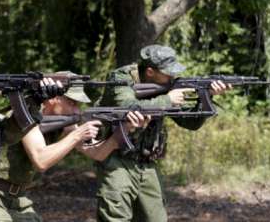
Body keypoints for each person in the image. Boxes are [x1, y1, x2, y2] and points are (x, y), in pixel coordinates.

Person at [94, 44, 232, 222]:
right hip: (116, 160)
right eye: (168, 72)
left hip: (147, 163)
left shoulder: (167, 85)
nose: (172, 77)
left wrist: (206, 97)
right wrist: (168, 100)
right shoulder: (120, 78)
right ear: (150, 71)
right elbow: (129, 107)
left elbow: (190, 123)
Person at [0, 76, 101, 222]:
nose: (77, 110)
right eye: (72, 102)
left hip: (18, 198)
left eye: (78, 104)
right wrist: (77, 135)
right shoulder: (23, 116)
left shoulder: (64, 123)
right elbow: (41, 161)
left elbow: (96, 152)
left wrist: (120, 133)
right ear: (52, 99)